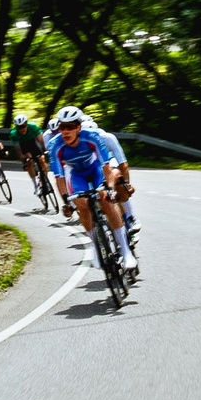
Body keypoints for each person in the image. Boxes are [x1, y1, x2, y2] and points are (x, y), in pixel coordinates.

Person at [50, 107, 139, 282]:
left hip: (95, 169)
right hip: (76, 174)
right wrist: (66, 202)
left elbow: (106, 167)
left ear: (78, 127)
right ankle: (95, 248)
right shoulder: (55, 145)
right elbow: (59, 177)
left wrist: (110, 189)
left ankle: (126, 252)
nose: (66, 131)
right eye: (62, 127)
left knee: (106, 200)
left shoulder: (92, 138)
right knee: (82, 205)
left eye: (70, 126)